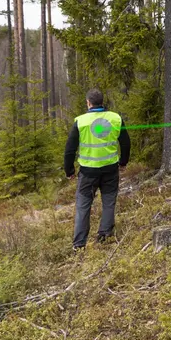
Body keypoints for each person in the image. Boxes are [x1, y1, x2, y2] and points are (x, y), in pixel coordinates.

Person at [64, 89, 130, 250]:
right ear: (102, 102)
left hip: (87, 172)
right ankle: (104, 235)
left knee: (83, 205)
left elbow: (70, 149)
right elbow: (126, 142)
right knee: (108, 202)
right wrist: (123, 162)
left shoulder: (80, 121)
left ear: (88, 102)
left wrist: (69, 170)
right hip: (110, 169)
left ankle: (79, 244)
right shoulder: (115, 118)